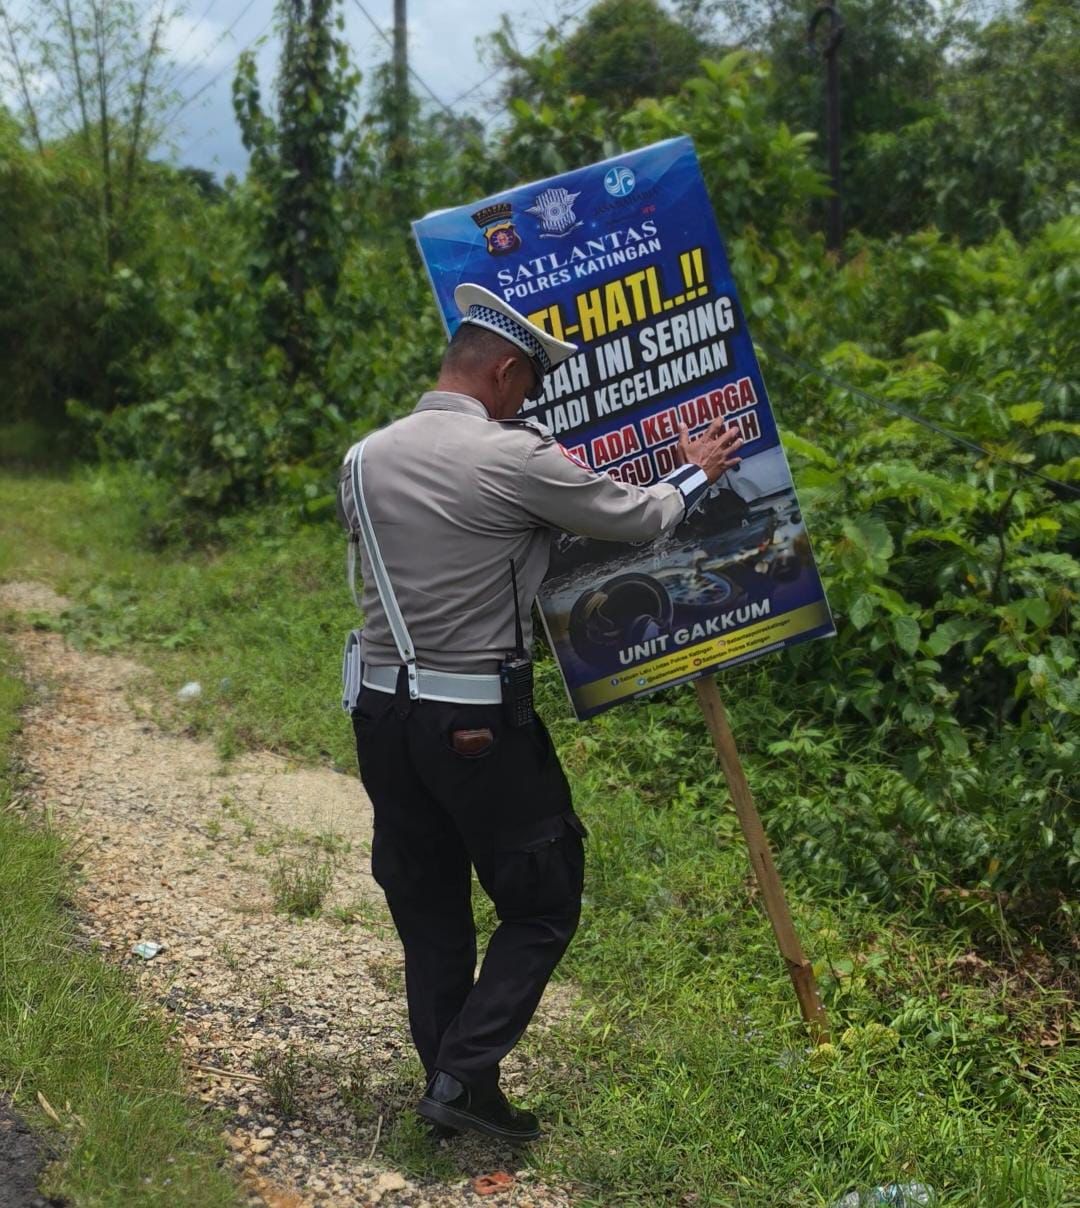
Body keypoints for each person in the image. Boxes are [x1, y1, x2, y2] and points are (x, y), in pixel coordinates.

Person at [338, 283, 743, 1143]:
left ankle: (454, 1092)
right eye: (530, 382)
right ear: (504, 372)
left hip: (378, 714)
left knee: (430, 906)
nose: (531, 398)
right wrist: (697, 470)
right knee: (544, 899)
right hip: (474, 724)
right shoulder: (512, 459)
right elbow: (637, 517)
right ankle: (462, 1074)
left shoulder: (363, 458)